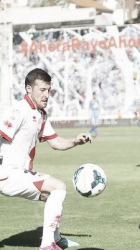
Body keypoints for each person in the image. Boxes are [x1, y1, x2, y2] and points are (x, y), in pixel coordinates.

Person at [0, 68, 92, 250]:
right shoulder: (19, 110)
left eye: (48, 90)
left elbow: (55, 142)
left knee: (53, 194)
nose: (46, 95)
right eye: (41, 90)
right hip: (7, 172)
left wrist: (75, 141)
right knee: (58, 186)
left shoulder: (40, 115)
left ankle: (55, 239)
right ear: (29, 89)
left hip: (18, 173)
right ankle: (48, 244)